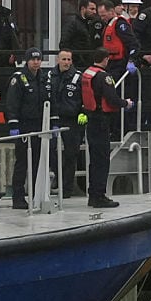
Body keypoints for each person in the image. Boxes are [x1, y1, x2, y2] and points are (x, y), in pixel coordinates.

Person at [82, 47, 133, 208]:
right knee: (102, 160)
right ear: (105, 60)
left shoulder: (87, 73)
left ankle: (93, 194)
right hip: (102, 120)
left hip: (90, 119)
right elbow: (112, 99)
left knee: (93, 160)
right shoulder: (104, 77)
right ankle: (99, 196)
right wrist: (126, 103)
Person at [5, 47, 54, 209]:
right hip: (24, 125)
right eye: (33, 59)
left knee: (38, 162)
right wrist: (13, 123)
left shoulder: (44, 78)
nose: (36, 62)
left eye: (38, 59)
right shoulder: (19, 78)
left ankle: (35, 195)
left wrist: (53, 122)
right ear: (27, 60)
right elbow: (12, 103)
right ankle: (18, 198)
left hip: (39, 125)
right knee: (22, 162)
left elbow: (49, 101)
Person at [47, 49, 86, 198]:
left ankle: (67, 189)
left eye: (69, 60)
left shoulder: (78, 77)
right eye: (64, 59)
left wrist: (83, 113)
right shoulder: (50, 76)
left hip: (72, 120)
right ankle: (58, 176)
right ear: (58, 60)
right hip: (53, 119)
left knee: (71, 154)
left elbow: (85, 97)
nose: (67, 63)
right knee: (50, 150)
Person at [97, 0, 139, 81]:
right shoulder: (108, 25)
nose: (102, 18)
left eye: (103, 15)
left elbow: (133, 43)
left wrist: (131, 60)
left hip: (120, 65)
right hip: (110, 63)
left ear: (112, 12)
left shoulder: (120, 24)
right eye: (100, 16)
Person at [59, 0, 102, 70]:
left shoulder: (91, 23)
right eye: (92, 9)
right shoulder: (72, 23)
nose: (94, 12)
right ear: (83, 9)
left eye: (95, 9)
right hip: (77, 64)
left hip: (88, 63)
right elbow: (64, 43)